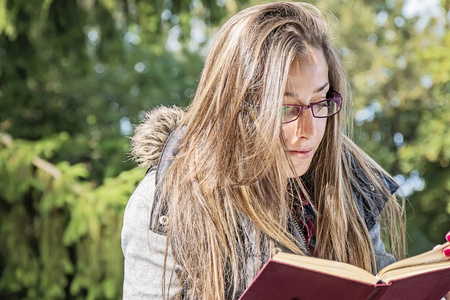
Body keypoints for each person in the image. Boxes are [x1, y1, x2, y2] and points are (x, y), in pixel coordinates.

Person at [121, 2, 450, 299]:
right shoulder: (165, 202)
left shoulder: (350, 183)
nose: (307, 132)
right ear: (234, 107)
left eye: (320, 101)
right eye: (284, 109)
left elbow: (379, 284)